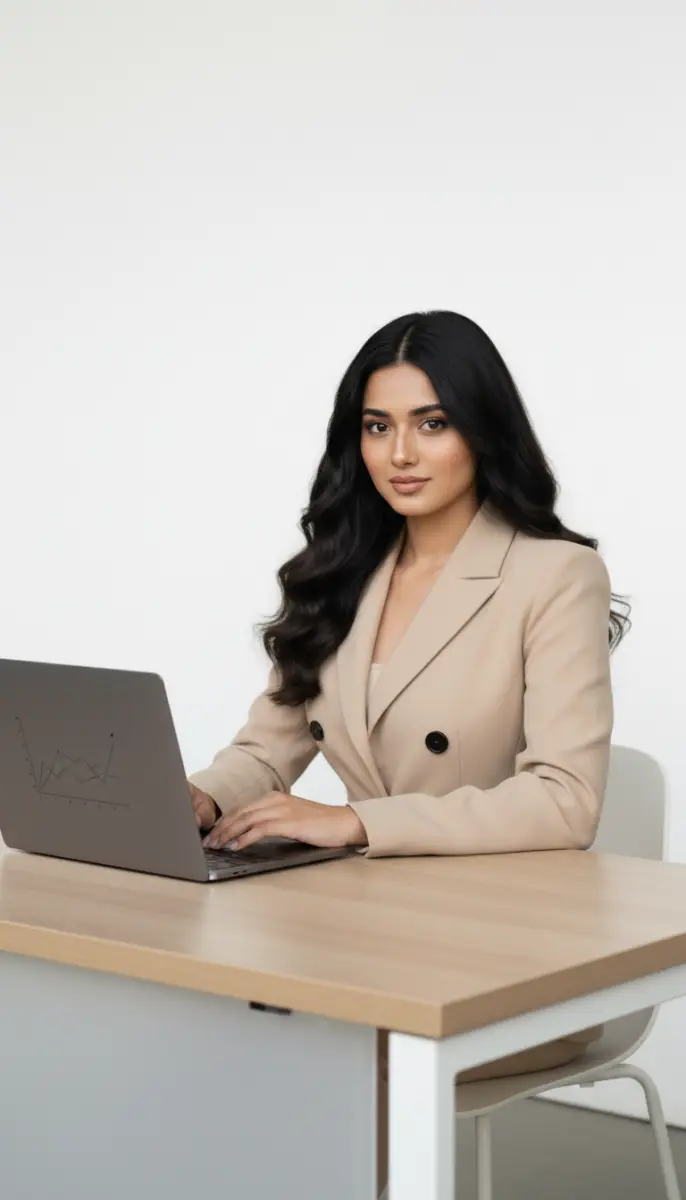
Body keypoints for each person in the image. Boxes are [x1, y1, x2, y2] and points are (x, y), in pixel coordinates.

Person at [188, 309, 630, 1198]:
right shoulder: (344, 567)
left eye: (432, 423)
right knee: (205, 1021)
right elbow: (266, 751)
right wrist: (193, 800)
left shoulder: (553, 576)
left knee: (301, 1049)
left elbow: (566, 799)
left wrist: (354, 821)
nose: (402, 454)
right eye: (378, 427)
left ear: (482, 429)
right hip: (362, 935)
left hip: (505, 950)